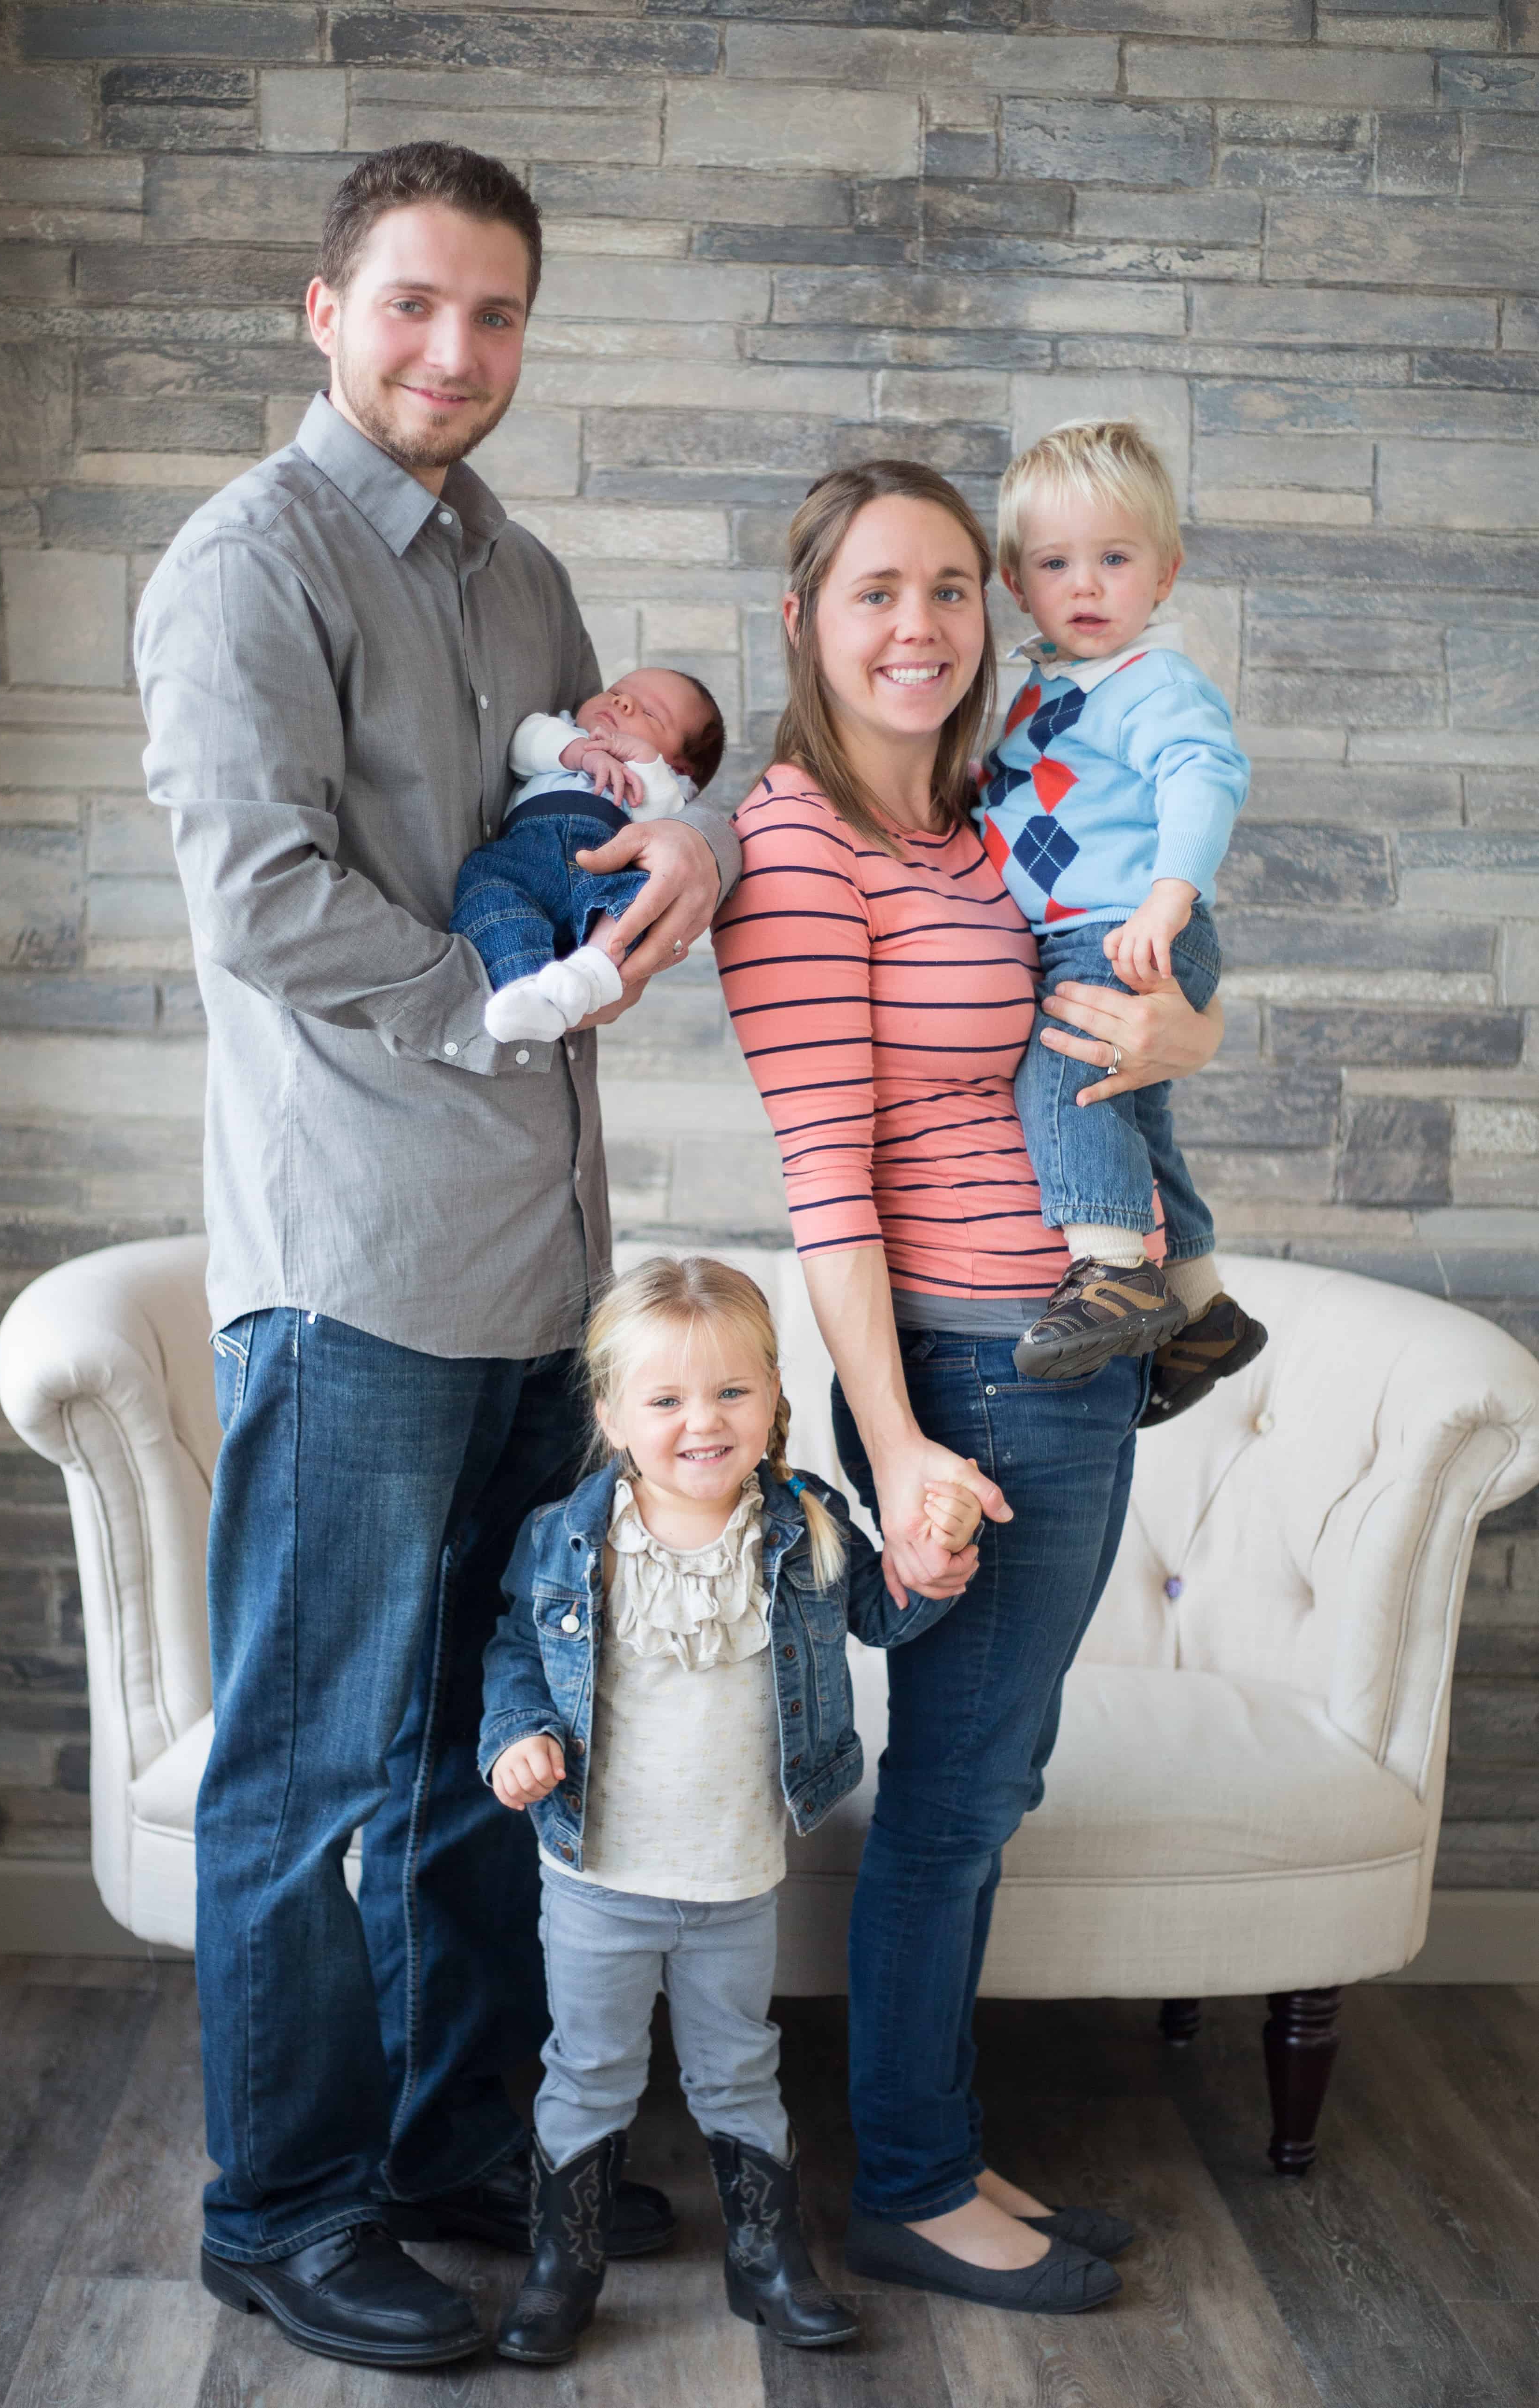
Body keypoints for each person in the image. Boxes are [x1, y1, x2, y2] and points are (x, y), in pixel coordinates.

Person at [134, 142, 740, 2373]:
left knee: (492, 1745)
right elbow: (263, 902)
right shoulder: (245, 566)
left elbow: (593, 817)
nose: (451, 354)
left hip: (534, 1273)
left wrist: (682, 850)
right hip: (361, 1257)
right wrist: (489, 1003)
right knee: (306, 1774)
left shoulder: (524, 573)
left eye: (492, 316)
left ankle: (447, 2141)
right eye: (411, 307)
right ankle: (279, 2205)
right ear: (323, 308)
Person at [713, 459, 1224, 2315]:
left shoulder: (1004, 814)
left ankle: (942, 2146)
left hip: (1073, 1347)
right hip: (970, 1367)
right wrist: (905, 1442)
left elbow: (1128, 1008)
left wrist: (1194, 1023)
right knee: (947, 1792)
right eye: (872, 593)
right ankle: (914, 2187)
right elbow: (823, 1180)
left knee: (986, 1777)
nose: (917, 626)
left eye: (947, 588)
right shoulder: (795, 840)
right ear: (803, 623)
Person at [476, 1257, 1084, 2366]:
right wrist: (516, 1735)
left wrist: (925, 1570)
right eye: (664, 1400)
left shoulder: (803, 1522)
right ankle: (563, 2261)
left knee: (737, 2066)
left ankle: (765, 2258)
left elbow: (874, 1615)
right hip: (597, 1876)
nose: (701, 1422)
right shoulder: (570, 1537)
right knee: (589, 2068)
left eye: (730, 1394)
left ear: (773, 1398)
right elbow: (518, 1650)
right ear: (612, 1414)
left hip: (732, 1875)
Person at [979, 419, 1266, 1414]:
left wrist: (1167, 893)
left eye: (1114, 558)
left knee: (1066, 1071)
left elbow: (1202, 775)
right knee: (1138, 1118)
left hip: (1128, 925)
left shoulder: (1152, 680)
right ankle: (1199, 1304)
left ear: (1165, 573)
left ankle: (1109, 1268)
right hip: (1088, 926)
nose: (1087, 586)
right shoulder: (1037, 689)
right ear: (1016, 582)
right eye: (1057, 563)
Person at [451, 666, 725, 1042]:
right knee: (488, 890)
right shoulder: (563, 734)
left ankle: (591, 972)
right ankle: (525, 988)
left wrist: (646, 765)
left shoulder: (665, 782)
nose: (623, 702)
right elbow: (523, 743)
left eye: (650, 714)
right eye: (616, 692)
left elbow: (662, 823)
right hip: (526, 856)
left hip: (605, 869)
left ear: (678, 766)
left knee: (644, 900)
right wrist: (579, 753)